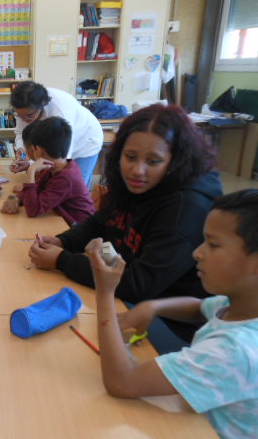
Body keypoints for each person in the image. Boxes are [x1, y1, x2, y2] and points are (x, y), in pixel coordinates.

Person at [29, 105, 222, 343]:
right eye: (130, 157)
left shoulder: (187, 208)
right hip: (128, 293)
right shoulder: (135, 184)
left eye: (154, 161)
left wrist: (62, 260)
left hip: (174, 324)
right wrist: (63, 241)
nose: (137, 170)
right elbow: (101, 222)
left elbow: (139, 284)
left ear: (175, 162)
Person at [86, 188, 258, 438]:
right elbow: (200, 307)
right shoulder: (241, 304)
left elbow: (121, 382)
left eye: (213, 244)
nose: (197, 252)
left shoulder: (235, 351)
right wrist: (154, 307)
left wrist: (105, 292)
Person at [0, 117, 94, 225]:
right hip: (63, 221)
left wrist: (31, 172)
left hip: (80, 229)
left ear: (38, 150)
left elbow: (33, 210)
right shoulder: (53, 167)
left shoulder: (66, 177)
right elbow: (37, 190)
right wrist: (17, 199)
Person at [9, 81, 103, 187]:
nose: (24, 120)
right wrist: (22, 149)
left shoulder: (59, 112)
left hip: (85, 142)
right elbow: (21, 131)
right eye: (20, 116)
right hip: (60, 150)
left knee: (72, 185)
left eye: (29, 115)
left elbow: (62, 160)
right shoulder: (25, 107)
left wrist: (32, 166)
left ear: (42, 105)